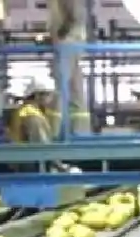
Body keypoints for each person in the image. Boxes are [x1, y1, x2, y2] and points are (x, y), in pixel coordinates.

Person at [47, 0, 90, 136]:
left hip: (67, 43)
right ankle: (81, 131)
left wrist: (59, 35)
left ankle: (54, 132)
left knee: (61, 87)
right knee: (75, 88)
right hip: (73, 42)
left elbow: (73, 14)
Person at [8, 78, 54, 144]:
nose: (51, 99)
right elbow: (40, 145)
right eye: (49, 94)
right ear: (37, 95)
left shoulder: (26, 110)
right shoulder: (31, 114)